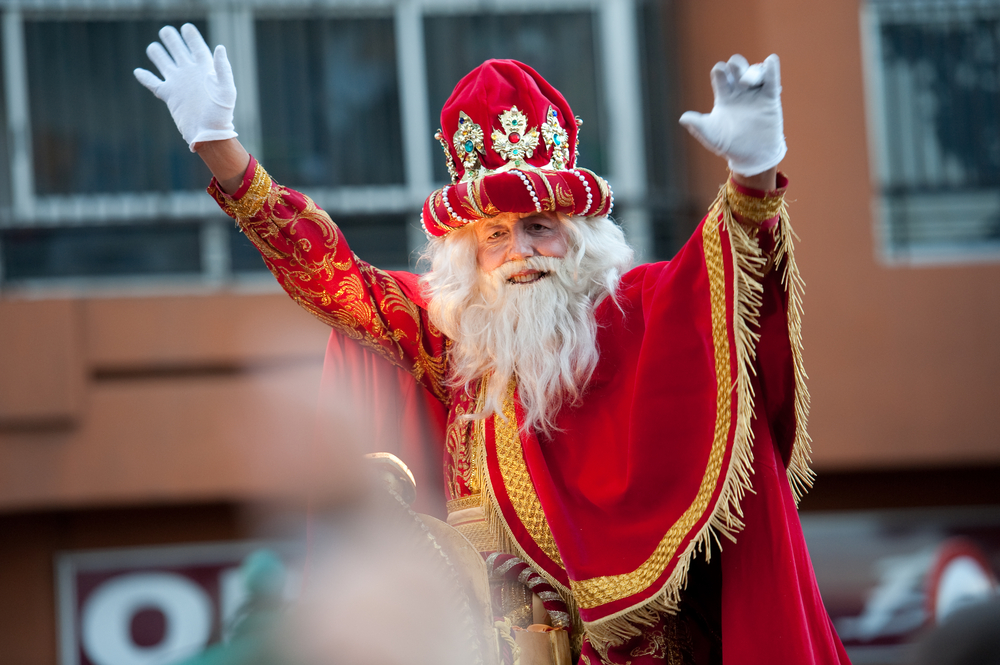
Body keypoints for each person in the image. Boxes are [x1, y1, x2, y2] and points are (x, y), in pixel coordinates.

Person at [135, 23, 851, 665]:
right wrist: (223, 152)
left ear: (577, 236)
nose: (522, 252)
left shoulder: (633, 314)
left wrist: (753, 177)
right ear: (466, 254)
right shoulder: (451, 338)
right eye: (495, 235)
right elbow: (334, 279)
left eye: (540, 225)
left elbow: (714, 279)